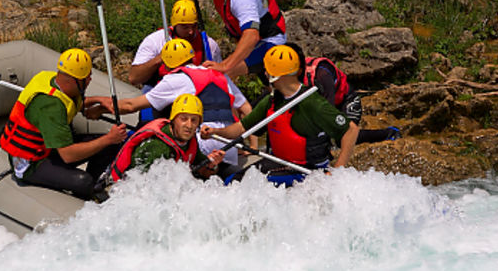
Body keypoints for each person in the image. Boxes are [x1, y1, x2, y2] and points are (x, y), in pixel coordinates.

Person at [201, 45, 359, 187]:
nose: (264, 73)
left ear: (276, 75)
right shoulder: (271, 101)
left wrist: (337, 172)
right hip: (281, 163)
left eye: (267, 69)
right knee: (232, 182)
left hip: (306, 170)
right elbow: (241, 128)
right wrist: (215, 132)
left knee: (239, 186)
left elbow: (351, 131)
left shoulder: (312, 103)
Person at [97, 38, 254, 181]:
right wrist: (252, 145)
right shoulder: (218, 74)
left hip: (202, 138)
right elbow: (246, 109)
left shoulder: (175, 79)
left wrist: (100, 110)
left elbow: (131, 106)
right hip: (229, 143)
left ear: (167, 64)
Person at [0, 48, 127, 200]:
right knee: (84, 181)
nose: (90, 79)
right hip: (30, 163)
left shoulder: (51, 78)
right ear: (74, 80)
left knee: (108, 147)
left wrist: (98, 100)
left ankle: (91, 185)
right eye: (87, 77)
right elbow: (68, 156)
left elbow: (70, 103)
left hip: (47, 149)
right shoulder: (50, 106)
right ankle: (83, 195)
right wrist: (109, 138)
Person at [180, 0, 286, 79]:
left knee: (220, 74)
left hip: (269, 42)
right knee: (265, 80)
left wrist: (225, 66)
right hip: (253, 41)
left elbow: (251, 36)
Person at [287, 42, 401, 143]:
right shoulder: (284, 77)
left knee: (343, 138)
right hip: (322, 105)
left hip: (346, 101)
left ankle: (389, 133)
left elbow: (328, 111)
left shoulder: (321, 73)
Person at [106, 94, 226, 182]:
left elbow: (203, 171)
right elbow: (141, 187)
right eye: (183, 119)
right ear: (173, 120)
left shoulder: (189, 141)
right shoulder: (158, 146)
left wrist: (212, 164)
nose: (189, 125)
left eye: (194, 120)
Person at [129, 0, 222, 88]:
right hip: (161, 88)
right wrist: (160, 58)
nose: (191, 31)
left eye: (194, 26)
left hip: (195, 90)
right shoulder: (156, 40)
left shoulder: (208, 45)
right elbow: (134, 78)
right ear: (175, 25)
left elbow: (222, 78)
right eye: (185, 27)